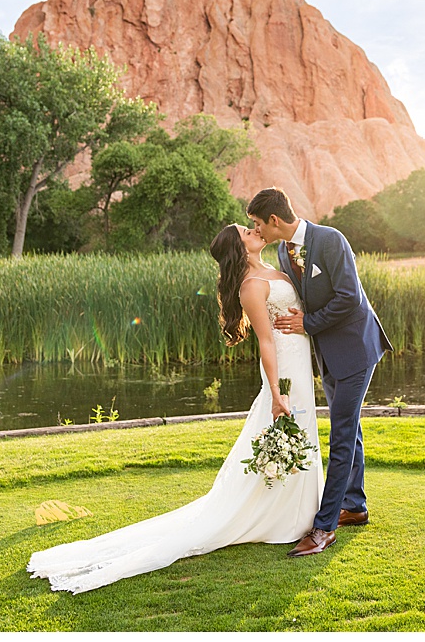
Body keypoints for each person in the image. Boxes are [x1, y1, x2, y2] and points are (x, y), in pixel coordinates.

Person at [26, 224, 322, 593]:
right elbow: (264, 340)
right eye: (247, 230)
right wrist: (276, 391)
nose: (255, 230)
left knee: (301, 432)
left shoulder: (275, 268)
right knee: (286, 429)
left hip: (298, 357)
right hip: (283, 366)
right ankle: (282, 516)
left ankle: (302, 507)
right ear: (238, 245)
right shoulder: (251, 286)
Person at [247, 187, 392, 558]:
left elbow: (350, 297)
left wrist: (308, 323)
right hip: (328, 355)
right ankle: (355, 507)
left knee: (341, 434)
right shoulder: (282, 250)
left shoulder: (330, 240)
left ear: (274, 221)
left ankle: (324, 527)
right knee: (350, 426)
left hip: (356, 349)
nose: (257, 230)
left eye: (257, 223)